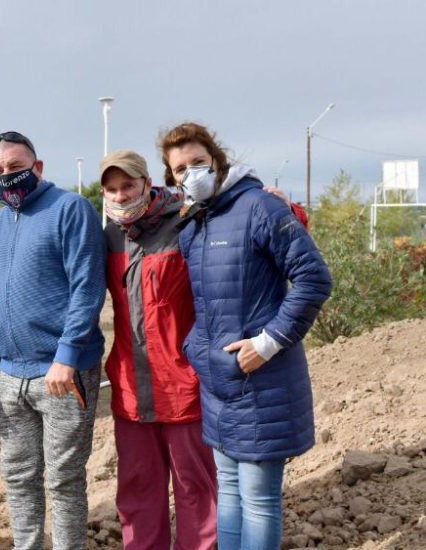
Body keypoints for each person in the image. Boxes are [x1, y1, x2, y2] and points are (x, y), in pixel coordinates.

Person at [162, 122, 332, 549]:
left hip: (262, 380)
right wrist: (196, 348)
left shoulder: (259, 207)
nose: (190, 173)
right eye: (180, 169)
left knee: (258, 500)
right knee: (230, 495)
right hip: (219, 381)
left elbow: (313, 280)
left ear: (217, 162)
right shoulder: (194, 227)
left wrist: (268, 342)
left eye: (198, 162)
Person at [0, 131, 106, 550]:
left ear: (37, 168)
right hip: (9, 376)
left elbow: (87, 288)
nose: (8, 175)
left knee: (63, 479)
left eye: (17, 167)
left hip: (61, 374)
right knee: (19, 479)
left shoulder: (70, 209)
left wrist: (68, 354)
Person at [98, 150, 217, 549]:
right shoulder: (110, 236)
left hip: (183, 383)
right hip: (131, 388)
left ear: (147, 183)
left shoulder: (188, 221)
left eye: (127, 186)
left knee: (195, 489)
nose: (119, 195)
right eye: (111, 189)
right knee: (137, 489)